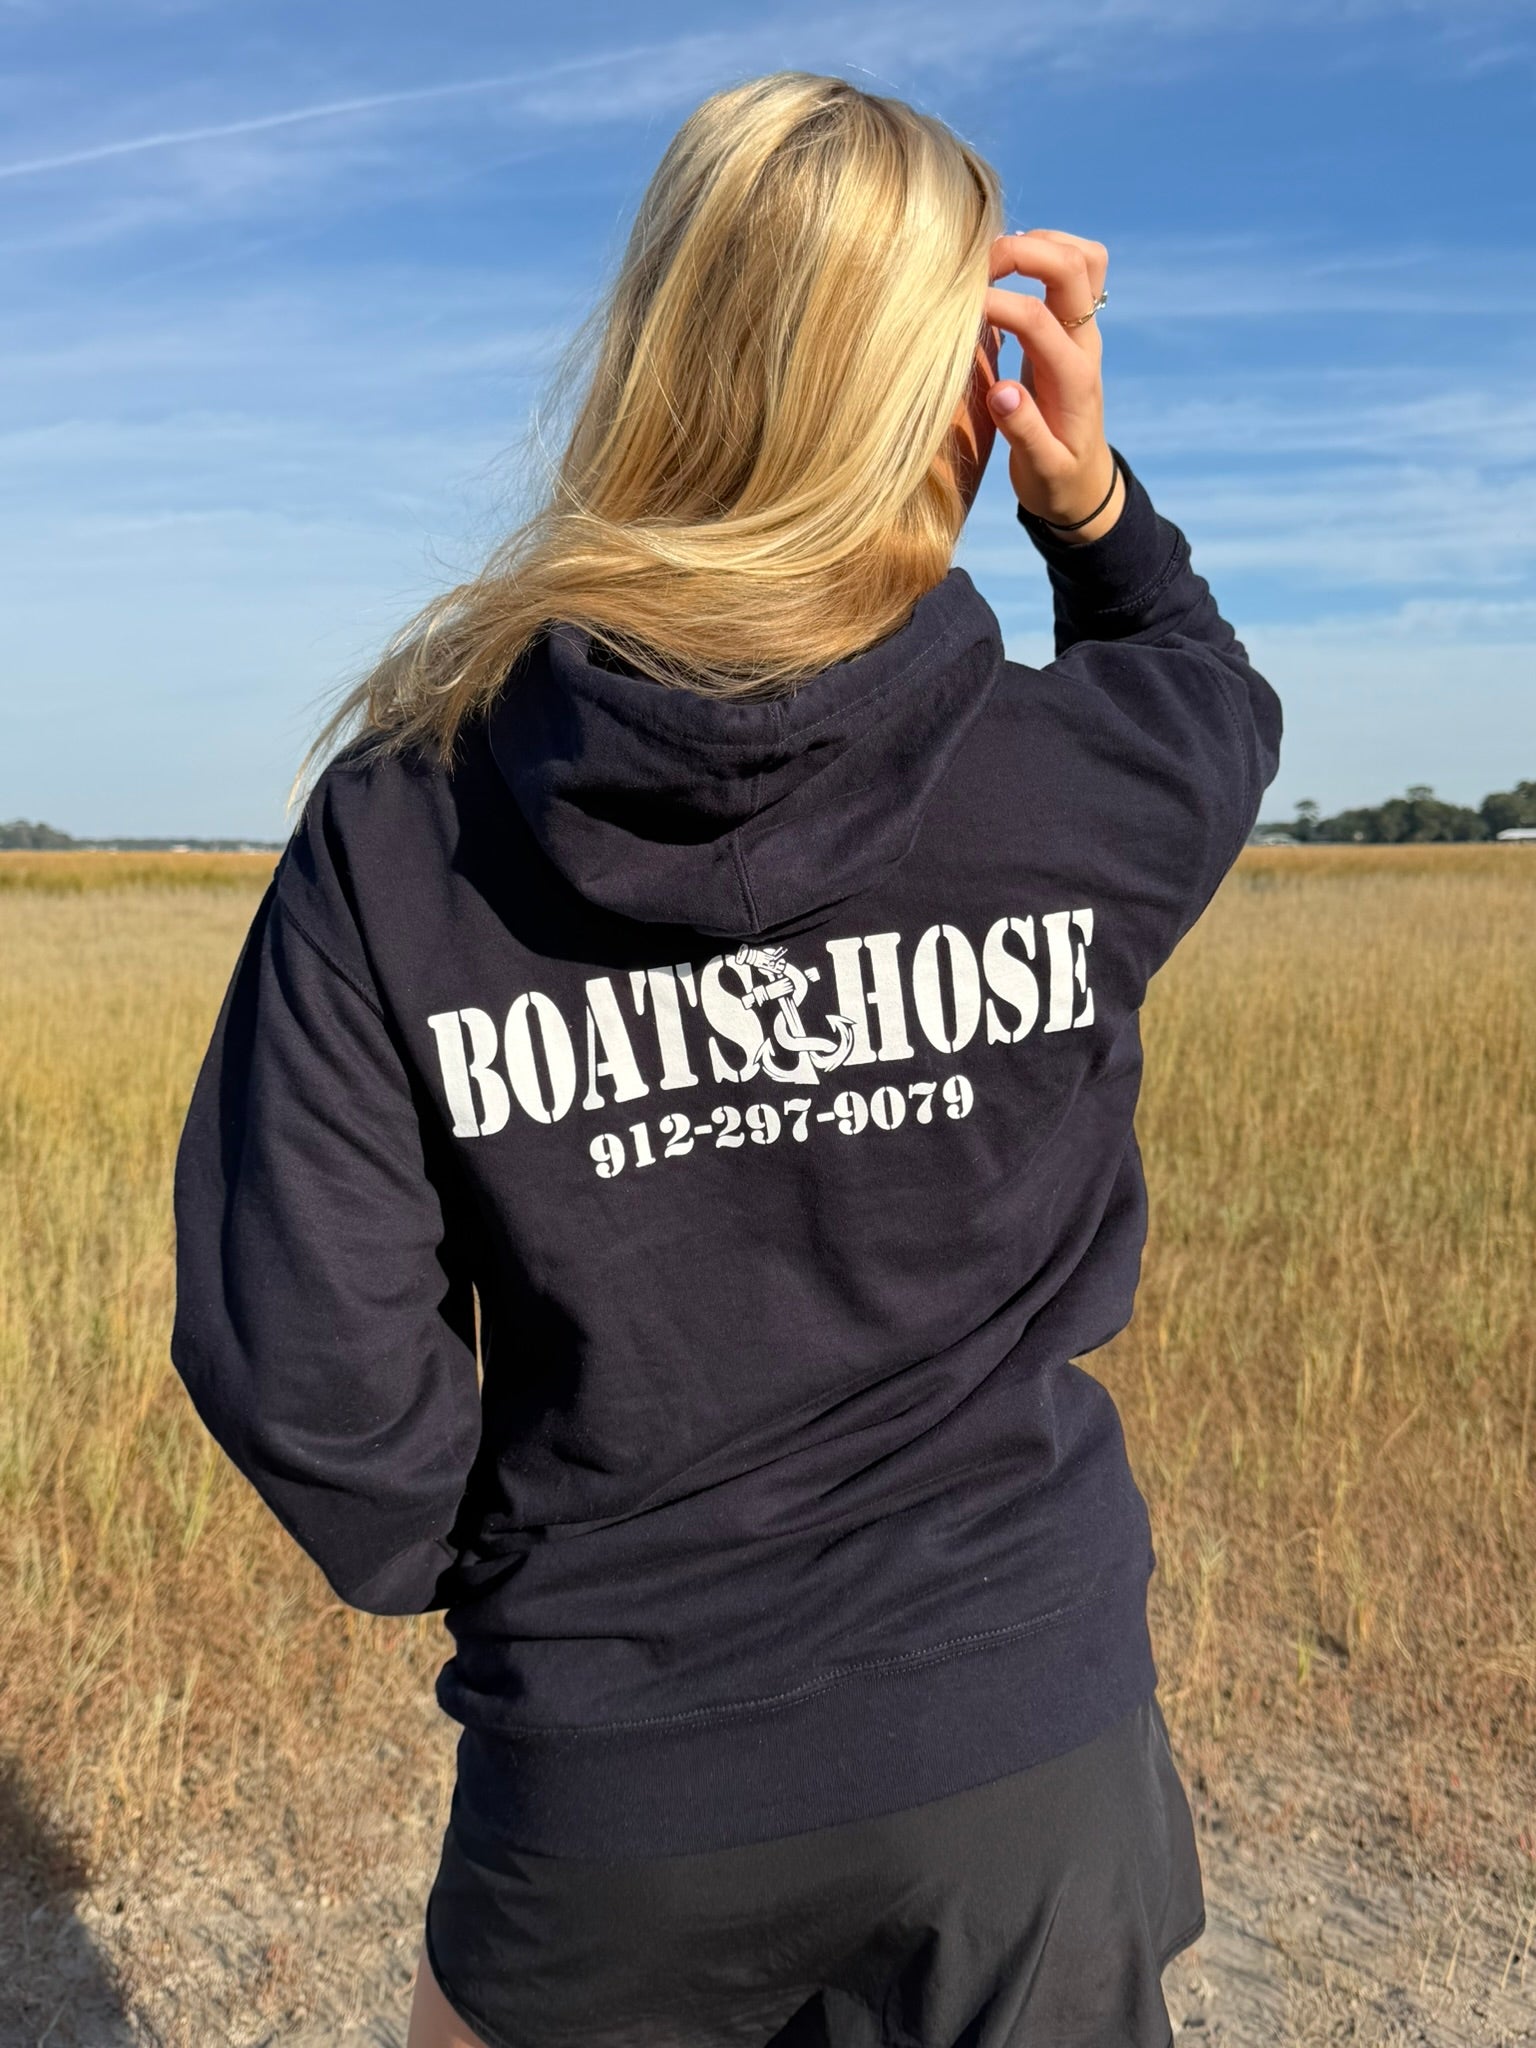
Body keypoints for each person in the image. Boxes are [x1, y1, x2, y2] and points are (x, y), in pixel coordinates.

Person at [169, 69, 1281, 2048]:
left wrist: (525, 1579)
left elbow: (309, 1362)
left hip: (611, 1782)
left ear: (656, 356)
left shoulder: (406, 822)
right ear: (957, 398)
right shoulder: (1083, 778)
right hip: (1021, 1751)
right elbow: (1208, 698)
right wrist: (1094, 512)